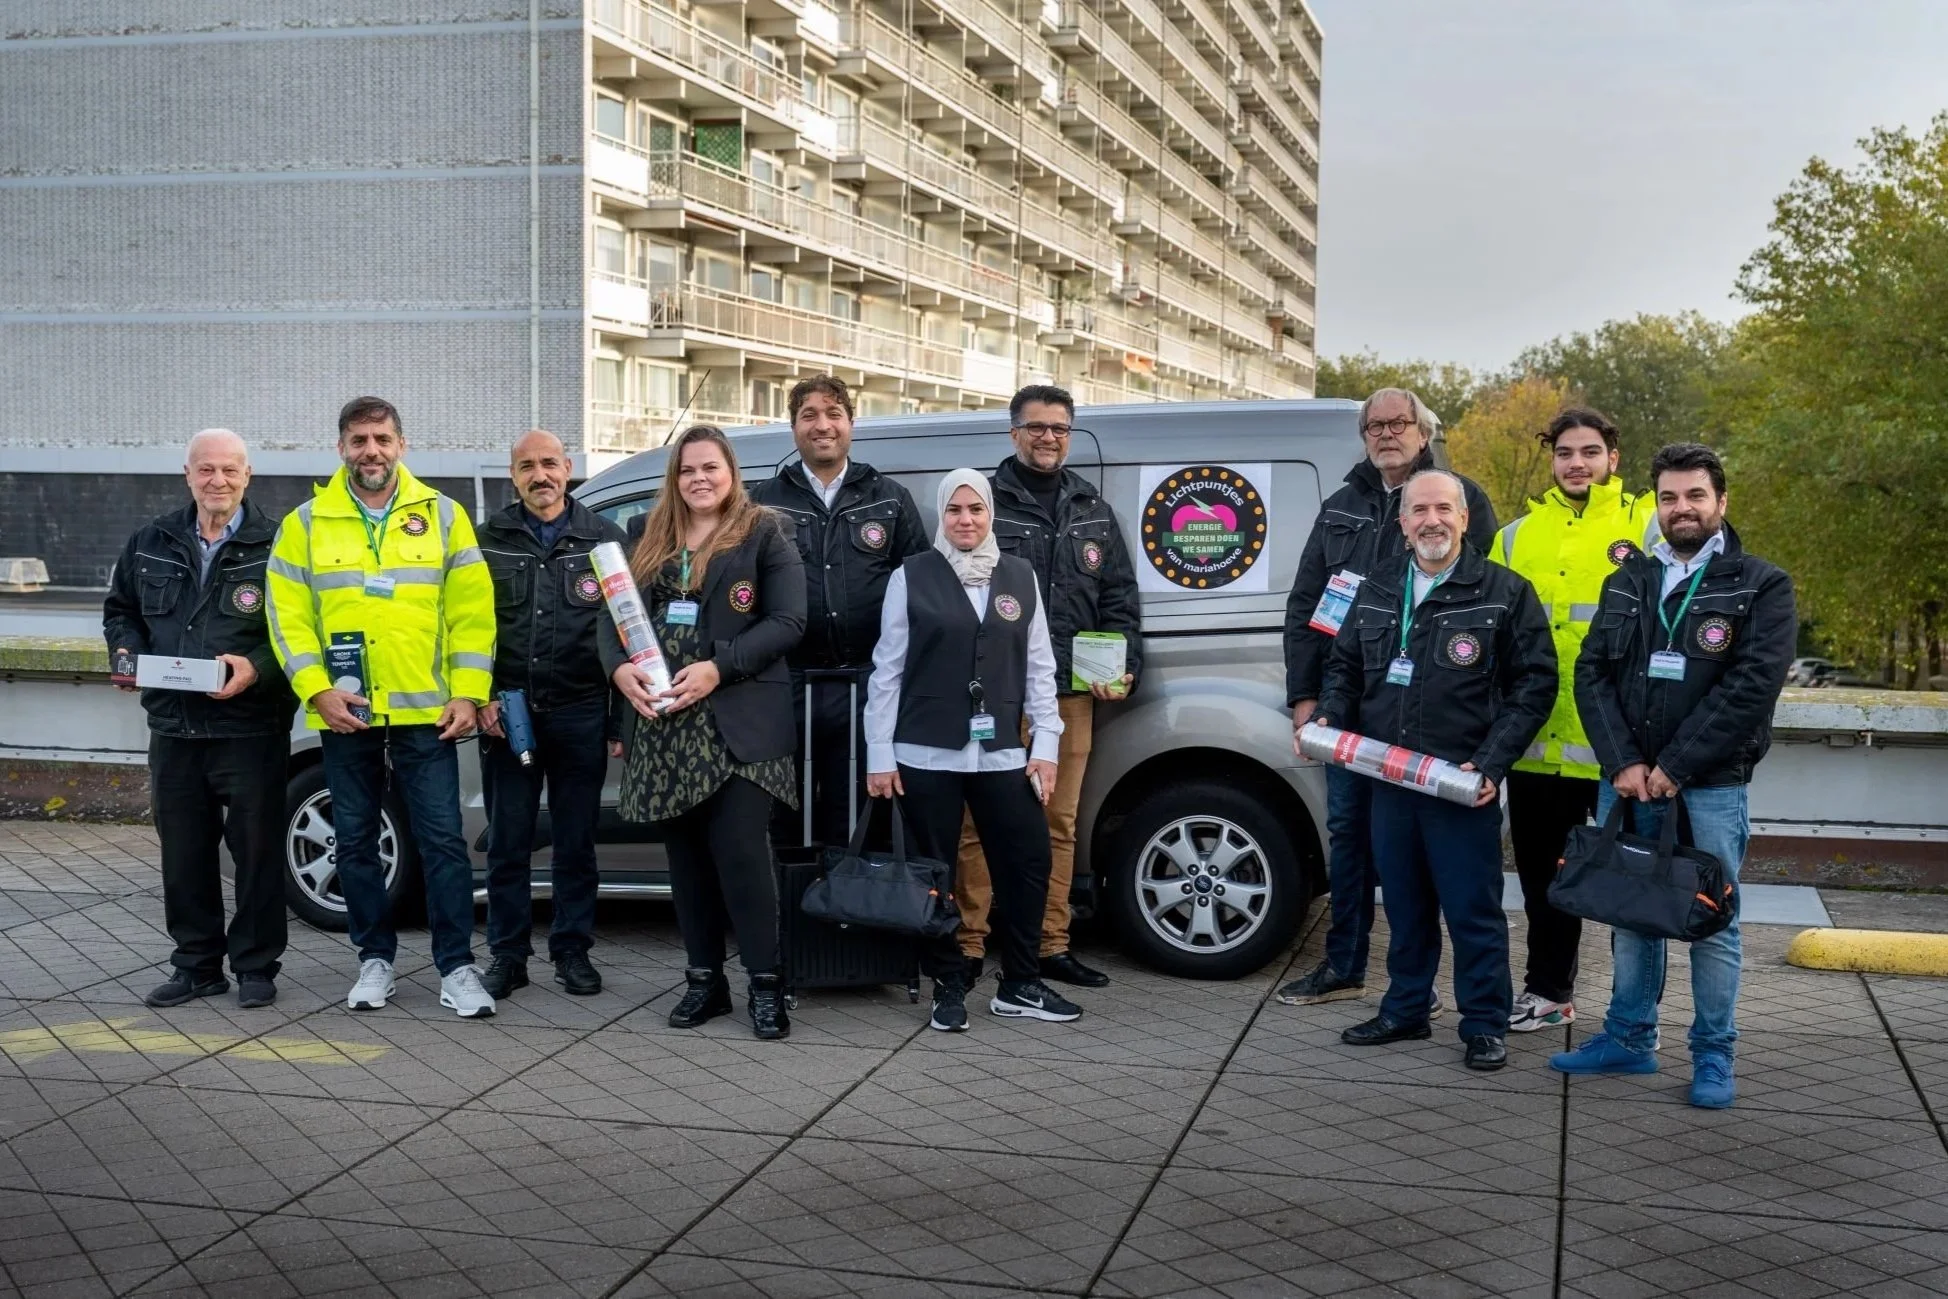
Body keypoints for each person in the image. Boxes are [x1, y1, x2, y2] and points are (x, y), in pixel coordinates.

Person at [1553, 442, 1795, 1109]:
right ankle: (1629, 1038)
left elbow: (1751, 687)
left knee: (1714, 919)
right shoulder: (1627, 579)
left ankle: (1714, 1053)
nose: (1680, 508)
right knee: (1630, 909)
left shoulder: (1761, 584)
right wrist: (1626, 762)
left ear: (1721, 501)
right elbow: (1591, 671)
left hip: (1710, 784)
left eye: (1694, 496)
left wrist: (1674, 767)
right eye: (1668, 497)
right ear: (1653, 504)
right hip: (1627, 780)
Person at [1312, 470, 1555, 1071]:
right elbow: (1343, 667)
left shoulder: (1504, 591)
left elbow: (1535, 685)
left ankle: (1484, 1023)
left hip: (1458, 782)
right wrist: (1330, 719)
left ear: (1465, 517)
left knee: (1471, 909)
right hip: (1388, 779)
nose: (1432, 521)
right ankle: (1406, 1009)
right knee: (1405, 902)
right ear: (1403, 523)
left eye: (1444, 508)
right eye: (1419, 510)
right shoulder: (1375, 588)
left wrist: (1494, 761)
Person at [265, 396, 498, 1018]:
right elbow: (287, 619)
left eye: (383, 439)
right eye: (360, 439)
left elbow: (473, 616)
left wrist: (468, 693)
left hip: (429, 713)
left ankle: (457, 967)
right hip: (348, 712)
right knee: (356, 841)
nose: (372, 450)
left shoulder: (444, 517)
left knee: (444, 840)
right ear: (341, 447)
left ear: (401, 444)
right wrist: (317, 690)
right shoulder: (307, 523)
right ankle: (375, 961)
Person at [1279, 387, 1498, 1011]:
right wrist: (1305, 696)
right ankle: (1344, 965)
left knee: (1426, 847)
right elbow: (1307, 606)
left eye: (1398, 422)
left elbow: (1483, 599)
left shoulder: (1457, 499)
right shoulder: (1341, 505)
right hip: (1352, 708)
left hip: (1433, 711)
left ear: (1423, 432)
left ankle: (1423, 986)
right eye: (1374, 425)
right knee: (1349, 833)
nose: (1386, 433)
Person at [602, 426, 806, 1041]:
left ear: (730, 472)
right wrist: (619, 670)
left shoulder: (766, 531)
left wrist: (721, 665)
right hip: (665, 727)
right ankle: (704, 983)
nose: (699, 479)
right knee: (686, 863)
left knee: (741, 857)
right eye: (688, 470)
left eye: (710, 468)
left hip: (740, 724)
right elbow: (610, 622)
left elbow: (788, 621)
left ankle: (767, 988)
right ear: (675, 477)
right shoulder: (645, 535)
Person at [866, 469, 1079, 1031]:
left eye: (975, 510)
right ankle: (947, 984)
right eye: (955, 510)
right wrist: (879, 755)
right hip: (925, 750)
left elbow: (1040, 668)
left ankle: (1021, 983)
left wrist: (1048, 745)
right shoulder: (911, 576)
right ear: (942, 515)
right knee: (937, 871)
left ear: (990, 515)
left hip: (1004, 752)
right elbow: (887, 671)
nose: (965, 520)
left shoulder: (1019, 575)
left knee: (1029, 859)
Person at [103, 429, 298, 1010]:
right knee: (183, 853)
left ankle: (257, 967)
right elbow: (121, 612)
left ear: (248, 476)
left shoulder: (280, 544)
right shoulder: (150, 540)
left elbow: (298, 631)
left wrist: (256, 667)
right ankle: (196, 966)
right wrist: (124, 655)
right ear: (187, 475)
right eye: (206, 470)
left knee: (258, 853)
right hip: (173, 726)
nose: (218, 481)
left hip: (251, 727)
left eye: (230, 471)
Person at [955, 384, 1141, 990]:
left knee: (1057, 825)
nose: (1048, 438)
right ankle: (968, 945)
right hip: (992, 695)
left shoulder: (1092, 508)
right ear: (1013, 433)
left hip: (1068, 697)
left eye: (1059, 428)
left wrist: (1122, 664)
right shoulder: (983, 502)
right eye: (1036, 427)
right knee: (976, 826)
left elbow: (1118, 600)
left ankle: (1050, 944)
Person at [1488, 407, 1660, 1034]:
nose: (1577, 463)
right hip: (1536, 743)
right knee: (1544, 883)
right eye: (1565, 453)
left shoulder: (1649, 521)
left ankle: (1635, 1012)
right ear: (1552, 459)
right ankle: (1549, 993)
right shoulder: (1514, 536)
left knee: (1633, 886)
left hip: (1623, 747)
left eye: (1590, 452)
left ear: (1613, 458)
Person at [475, 429, 629, 1000]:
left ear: (568, 468)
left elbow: (625, 635)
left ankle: (571, 952)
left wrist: (618, 721)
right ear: (512, 476)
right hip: (507, 712)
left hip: (581, 711)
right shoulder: (486, 541)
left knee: (575, 842)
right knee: (508, 842)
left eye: (549, 464)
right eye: (526, 467)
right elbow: (467, 629)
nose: (539, 475)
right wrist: (481, 695)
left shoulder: (605, 539)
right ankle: (508, 957)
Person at [750, 375, 927, 848]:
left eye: (833, 413)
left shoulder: (888, 497)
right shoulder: (764, 501)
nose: (822, 425)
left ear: (852, 423)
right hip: (788, 685)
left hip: (869, 686)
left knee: (860, 817)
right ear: (793, 428)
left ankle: (851, 918)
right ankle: (791, 919)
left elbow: (920, 593)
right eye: (809, 415)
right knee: (786, 816)